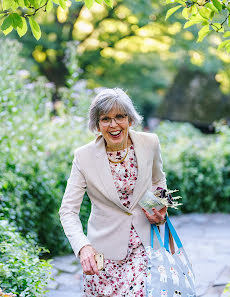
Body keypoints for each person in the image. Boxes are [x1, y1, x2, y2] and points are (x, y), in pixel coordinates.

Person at [59, 88, 170, 296]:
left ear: (130, 119)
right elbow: (67, 211)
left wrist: (161, 207)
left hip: (142, 246)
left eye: (120, 116)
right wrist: (83, 247)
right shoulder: (84, 157)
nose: (114, 125)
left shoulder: (150, 143)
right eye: (105, 119)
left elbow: (158, 179)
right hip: (102, 253)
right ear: (97, 124)